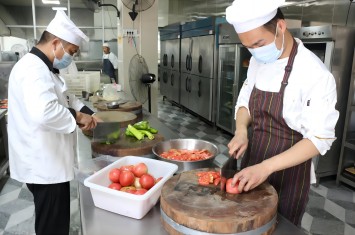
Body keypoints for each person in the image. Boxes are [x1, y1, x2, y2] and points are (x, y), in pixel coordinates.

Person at [225, 0, 338, 226]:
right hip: (253, 163)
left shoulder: (314, 73)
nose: (255, 52)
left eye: (259, 43)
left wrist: (266, 168)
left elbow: (319, 139)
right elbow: (244, 101)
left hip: (289, 177)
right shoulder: (259, 61)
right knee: (244, 224)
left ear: (281, 27)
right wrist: (240, 131)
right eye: (248, 47)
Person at [7, 10, 100, 235]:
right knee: (53, 227)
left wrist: (91, 114)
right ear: (56, 43)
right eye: (71, 51)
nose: (71, 57)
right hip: (44, 166)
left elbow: (66, 98)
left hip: (48, 162)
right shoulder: (33, 69)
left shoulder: (47, 68)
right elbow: (45, 111)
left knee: (53, 221)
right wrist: (79, 117)